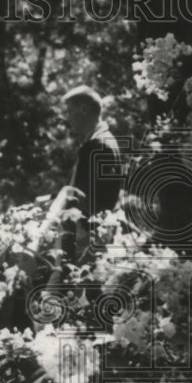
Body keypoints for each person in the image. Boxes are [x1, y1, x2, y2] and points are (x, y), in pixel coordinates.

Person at [58, 85, 121, 267]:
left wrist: (60, 202)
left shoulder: (99, 146)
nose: (68, 118)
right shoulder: (99, 142)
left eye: (70, 111)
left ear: (84, 110)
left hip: (86, 241)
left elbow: (88, 199)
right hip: (91, 236)